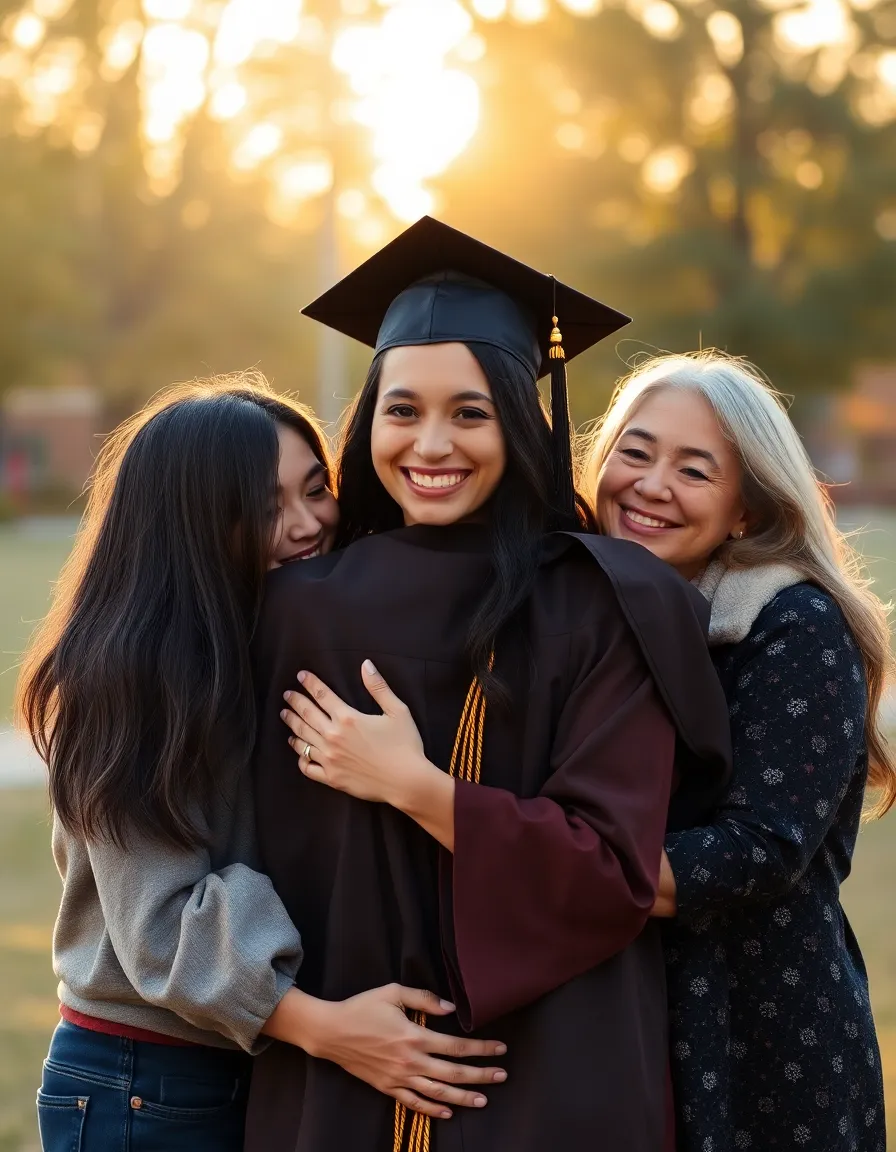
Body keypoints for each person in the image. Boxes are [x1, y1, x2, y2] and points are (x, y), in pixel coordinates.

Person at [247, 217, 733, 1152]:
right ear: (369, 419)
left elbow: (614, 873)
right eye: (402, 409)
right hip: (339, 1066)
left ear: (521, 416)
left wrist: (419, 790)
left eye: (470, 412)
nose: (432, 444)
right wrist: (301, 1018)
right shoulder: (291, 609)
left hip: (557, 1073)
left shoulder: (607, 604)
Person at [16, 373, 506, 1152]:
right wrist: (334, 1031)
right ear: (194, 523)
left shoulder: (271, 640)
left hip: (248, 1066)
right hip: (142, 1079)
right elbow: (160, 923)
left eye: (317, 489)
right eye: (265, 505)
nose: (308, 523)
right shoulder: (126, 676)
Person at [580, 351, 894, 1151]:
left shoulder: (792, 626)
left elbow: (758, 849)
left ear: (746, 511)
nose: (651, 486)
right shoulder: (588, 616)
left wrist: (510, 851)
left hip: (764, 1033)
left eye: (694, 470)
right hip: (627, 1021)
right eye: (636, 452)